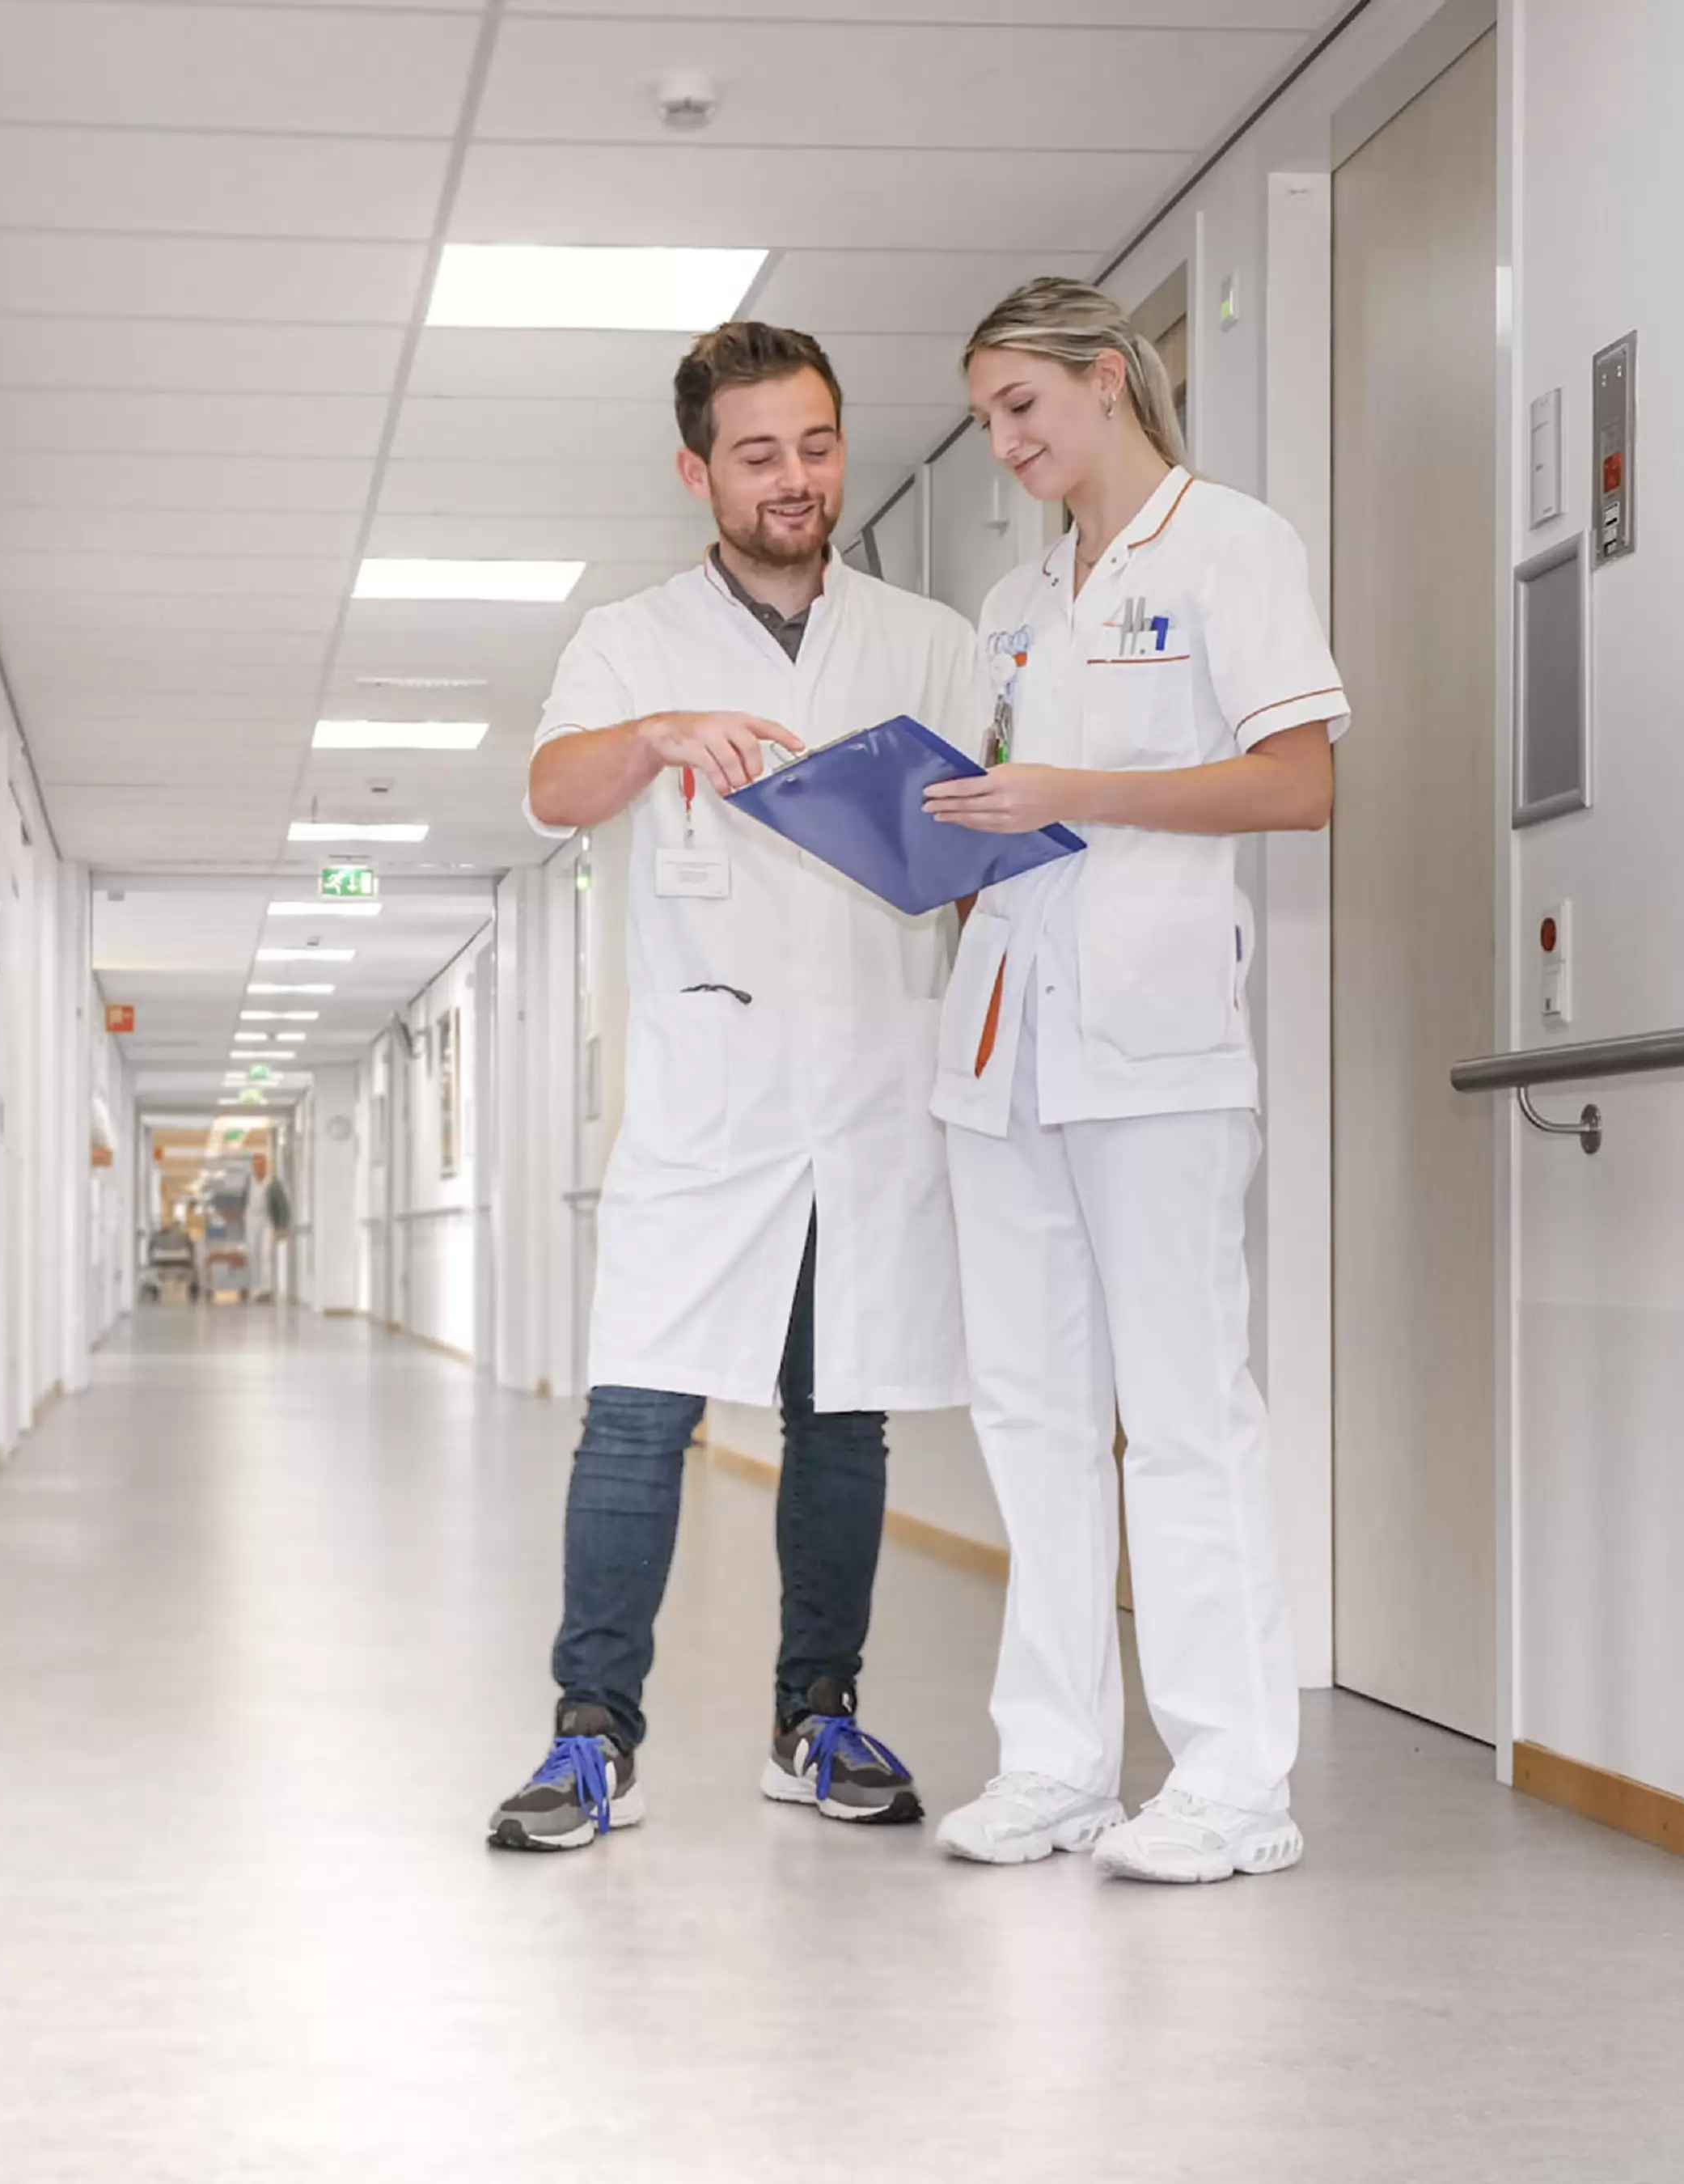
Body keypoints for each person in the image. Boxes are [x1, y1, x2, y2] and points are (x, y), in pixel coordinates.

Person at [489, 320, 985, 1853]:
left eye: (817, 446)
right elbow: (552, 792)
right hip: (709, 1101)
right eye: (758, 454)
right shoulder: (632, 636)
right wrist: (655, 737)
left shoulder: (928, 641)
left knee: (842, 1419)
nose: (794, 480)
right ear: (697, 467)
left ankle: (815, 1717)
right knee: (637, 1415)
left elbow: (980, 851)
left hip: (869, 1092)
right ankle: (592, 1738)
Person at [925, 277, 1349, 1883]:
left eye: (1021, 406)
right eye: (984, 421)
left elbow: (1298, 781)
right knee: (1032, 1418)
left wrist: (1068, 787)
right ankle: (1056, 1767)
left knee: (1182, 1418)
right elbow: (1008, 810)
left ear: (1109, 381)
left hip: (1157, 1044)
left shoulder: (1231, 542)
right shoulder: (1014, 602)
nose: (1006, 439)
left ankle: (1236, 1787)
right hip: (1004, 1040)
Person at [243, 1153, 287, 1304]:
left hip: (267, 1221)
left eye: (261, 1164)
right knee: (253, 1255)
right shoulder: (249, 1182)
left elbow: (282, 1206)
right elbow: (244, 1201)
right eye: (256, 1165)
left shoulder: (273, 1183)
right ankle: (255, 1289)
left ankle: (266, 1289)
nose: (258, 1167)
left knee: (265, 1254)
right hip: (251, 1221)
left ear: (266, 1165)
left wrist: (282, 1226)